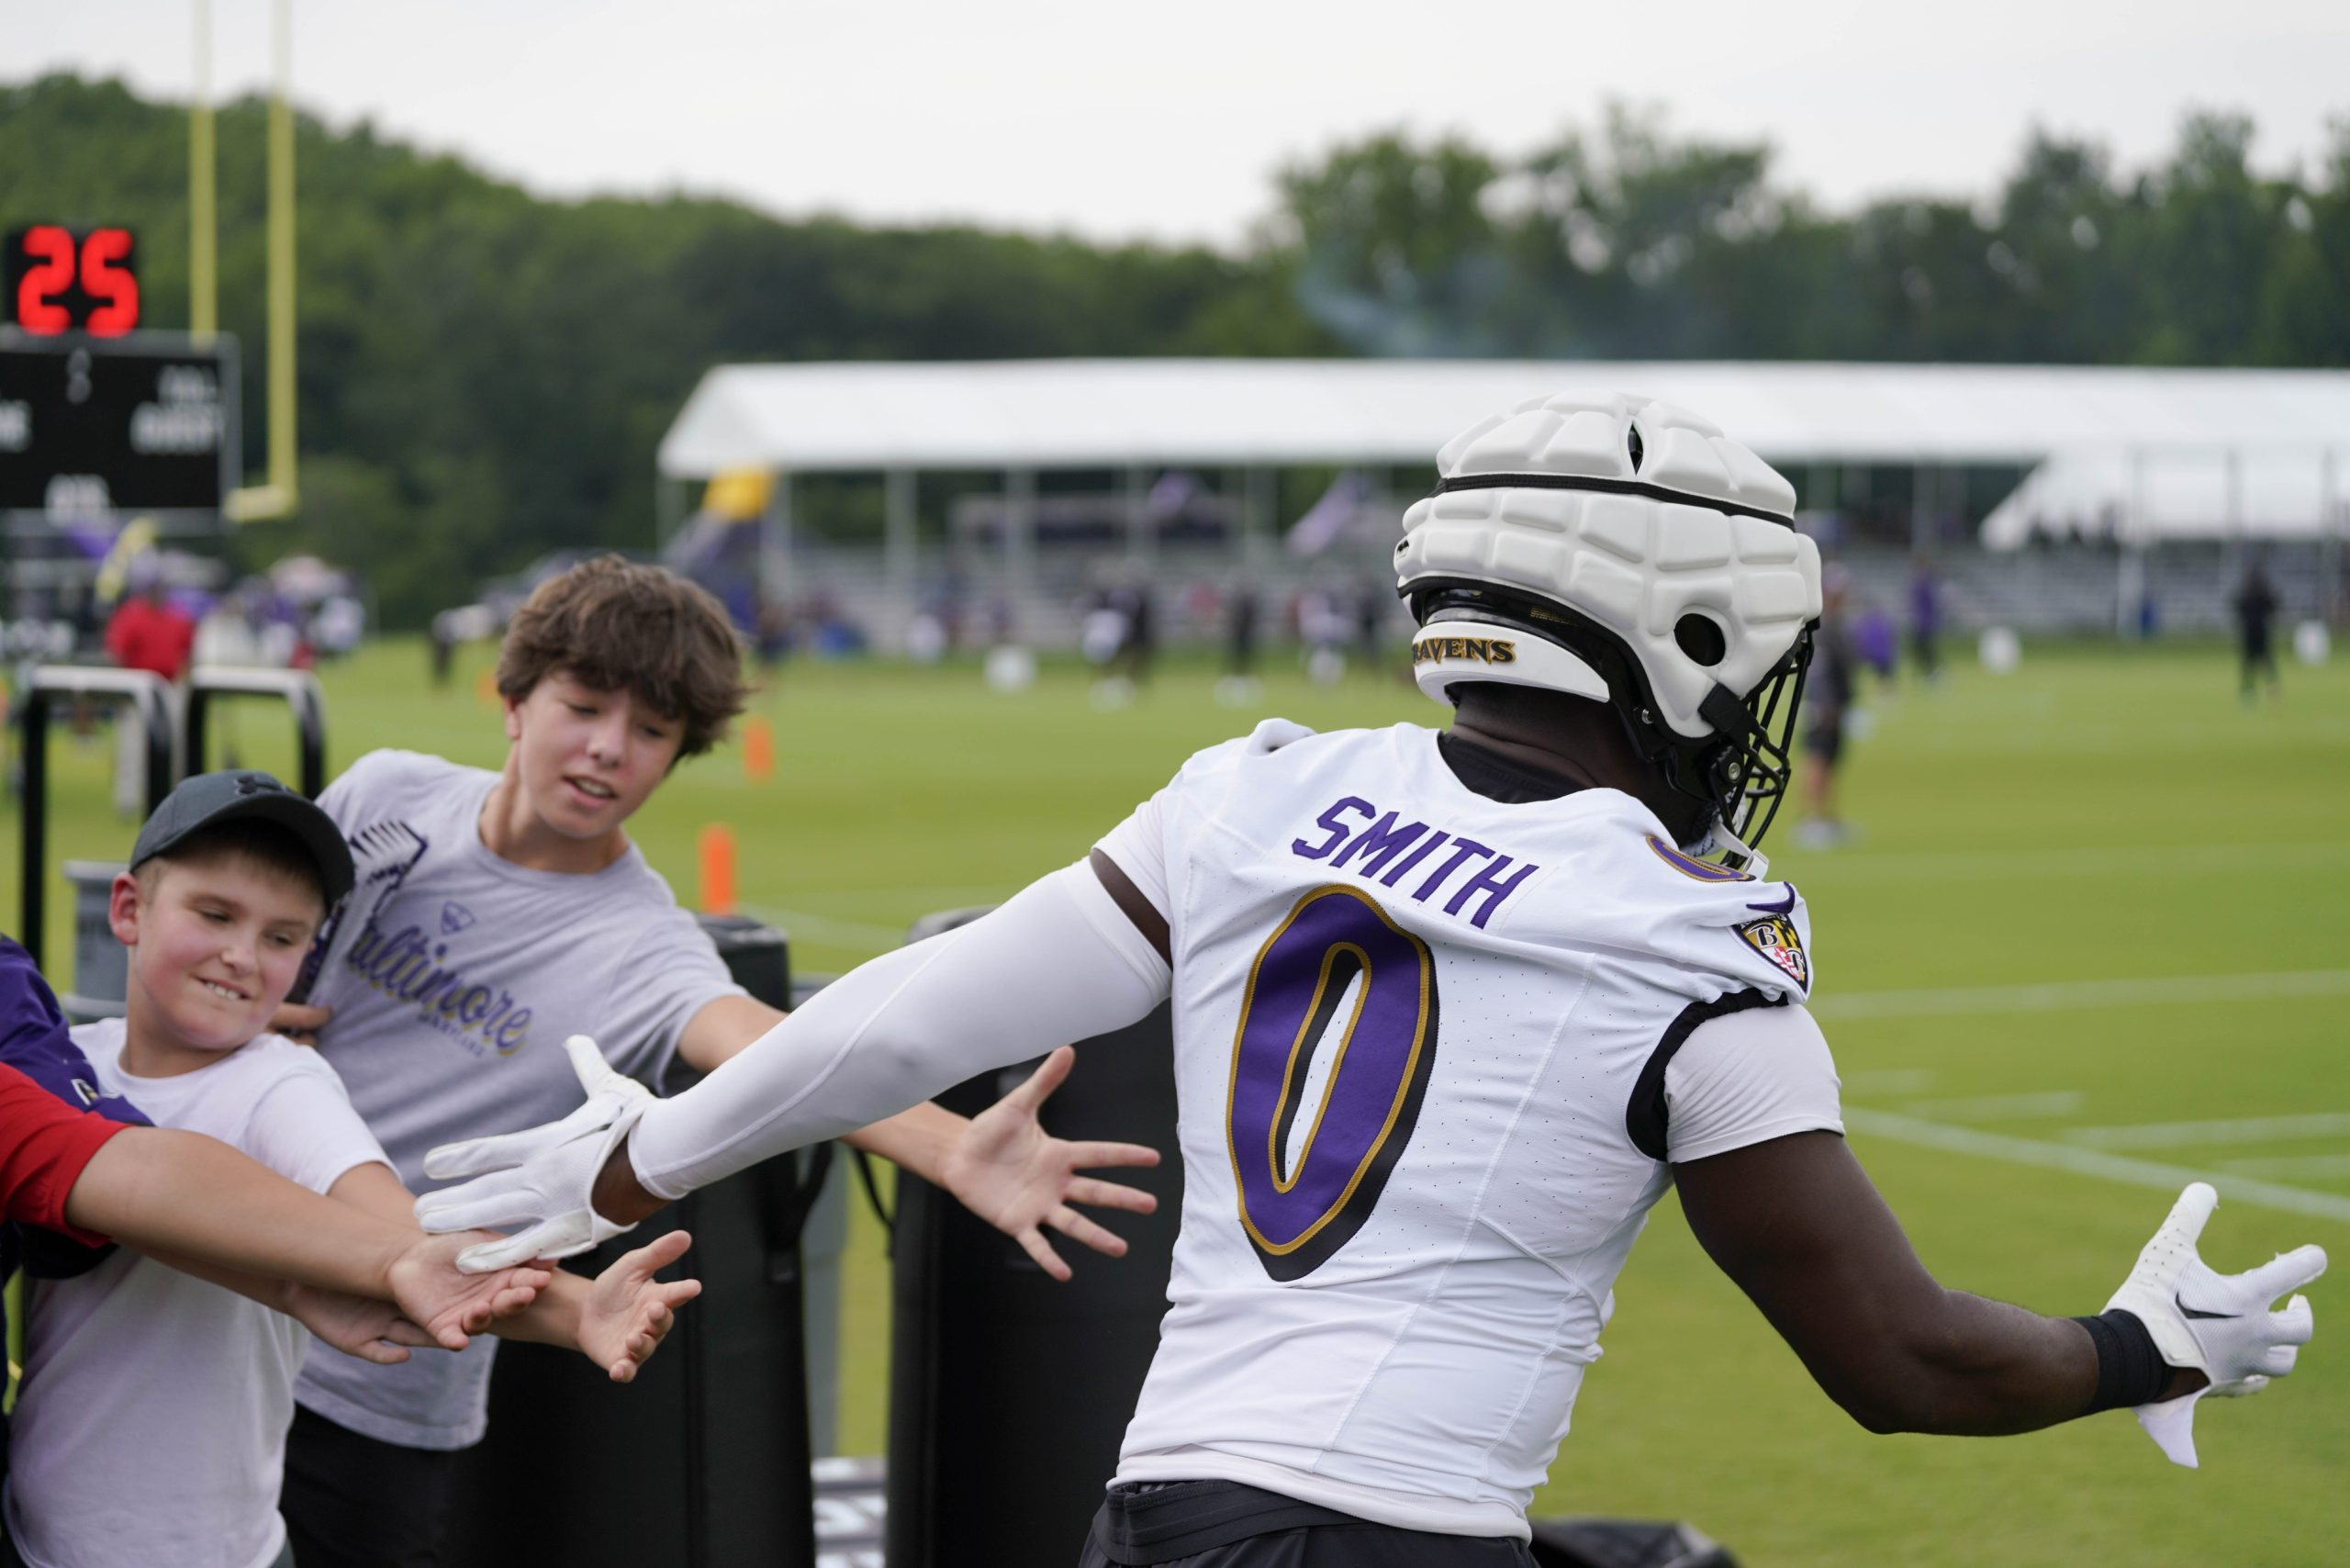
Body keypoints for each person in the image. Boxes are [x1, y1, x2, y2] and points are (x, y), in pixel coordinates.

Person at [421, 396, 2323, 1565]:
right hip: (1392, 1529)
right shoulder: (1688, 942)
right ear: (1669, 641)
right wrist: (2142, 1345)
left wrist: (626, 1167)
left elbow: (893, 1025)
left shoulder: (1257, 793)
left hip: (1154, 1510)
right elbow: (1892, 1358)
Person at [273, 555, 1158, 1568]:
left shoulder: (643, 942)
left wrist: (951, 1148)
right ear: (514, 699)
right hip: (232, 1281)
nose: (608, 749)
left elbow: (772, 1052)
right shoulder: (385, 796)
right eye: (585, 705)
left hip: (381, 1378)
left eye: (650, 732)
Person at [5, 770, 698, 1568]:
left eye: (282, 936)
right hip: (37, 1531)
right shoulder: (70, 1065)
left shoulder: (280, 1086)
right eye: (215, 914)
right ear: (128, 908)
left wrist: (578, 1311)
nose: (241, 955)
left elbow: (406, 1239)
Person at [1796, 563, 1857, 849]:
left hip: (1832, 707)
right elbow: (1819, 670)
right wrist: (1827, 705)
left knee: (1829, 763)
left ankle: (1825, 817)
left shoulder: (1834, 624)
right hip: (1823, 709)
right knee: (1817, 762)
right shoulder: (1824, 627)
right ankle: (1812, 820)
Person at [2232, 563, 2280, 702]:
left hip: (2248, 633)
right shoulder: (2263, 593)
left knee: (2249, 665)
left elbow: (2238, 610)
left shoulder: (2245, 594)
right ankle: (2273, 692)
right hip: (2262, 633)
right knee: (2267, 664)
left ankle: (2248, 692)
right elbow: (2273, 607)